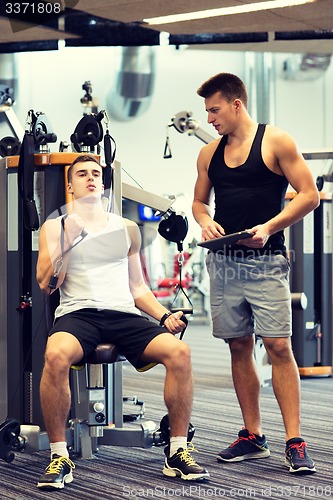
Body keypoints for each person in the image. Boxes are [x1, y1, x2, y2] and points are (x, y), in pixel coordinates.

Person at [36, 154, 209, 489]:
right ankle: (59, 455)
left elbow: (137, 287)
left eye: (96, 174)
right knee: (55, 356)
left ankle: (177, 451)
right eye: (82, 174)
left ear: (103, 183)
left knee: (180, 354)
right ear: (70, 185)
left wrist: (163, 315)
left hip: (123, 313)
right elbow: (47, 284)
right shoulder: (54, 227)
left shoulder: (126, 228)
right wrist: (69, 242)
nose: (90, 178)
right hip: (77, 314)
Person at [192, 73, 319, 474]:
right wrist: (204, 220)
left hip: (267, 263)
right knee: (237, 346)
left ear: (236, 104)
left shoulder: (275, 141)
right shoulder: (209, 153)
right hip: (223, 263)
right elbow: (198, 201)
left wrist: (269, 227)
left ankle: (294, 440)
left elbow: (310, 196)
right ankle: (253, 435)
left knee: (279, 347)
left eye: (214, 110)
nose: (209, 118)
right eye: (207, 111)